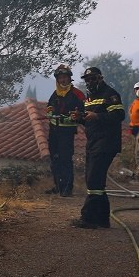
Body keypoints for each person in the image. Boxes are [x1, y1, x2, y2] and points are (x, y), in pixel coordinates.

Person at [73, 66, 125, 229]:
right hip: (93, 142)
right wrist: (79, 118)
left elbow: (119, 115)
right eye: (87, 79)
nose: (90, 82)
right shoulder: (89, 99)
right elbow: (90, 120)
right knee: (96, 181)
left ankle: (88, 218)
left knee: (93, 180)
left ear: (100, 78)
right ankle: (103, 219)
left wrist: (97, 115)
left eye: (93, 78)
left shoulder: (110, 94)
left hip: (106, 143)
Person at [45, 64, 87, 196]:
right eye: (60, 78)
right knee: (54, 159)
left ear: (70, 79)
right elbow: (49, 106)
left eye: (65, 78)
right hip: (54, 130)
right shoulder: (55, 93)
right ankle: (58, 185)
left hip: (66, 132)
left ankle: (67, 189)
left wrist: (75, 116)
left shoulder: (77, 94)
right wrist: (50, 112)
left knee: (65, 159)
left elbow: (84, 111)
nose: (62, 80)